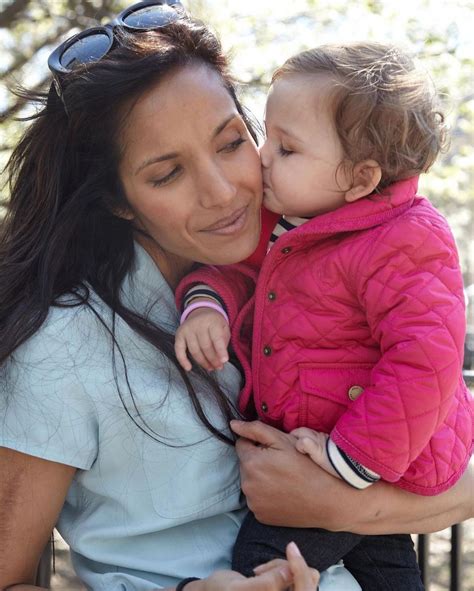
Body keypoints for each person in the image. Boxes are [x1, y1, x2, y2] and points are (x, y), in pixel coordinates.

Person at [0, 2, 472, 589]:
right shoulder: (64, 346)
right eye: (167, 174)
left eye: (230, 143)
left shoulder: (298, 264)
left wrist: (348, 508)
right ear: (117, 200)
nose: (224, 193)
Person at [174, 42, 474, 590]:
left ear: (360, 179)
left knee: (263, 554)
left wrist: (350, 460)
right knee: (388, 571)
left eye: (287, 149)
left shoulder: (407, 239)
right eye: (267, 137)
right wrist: (205, 302)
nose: (262, 157)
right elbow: (239, 272)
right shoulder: (296, 219)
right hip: (331, 451)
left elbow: (425, 360)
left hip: (369, 457)